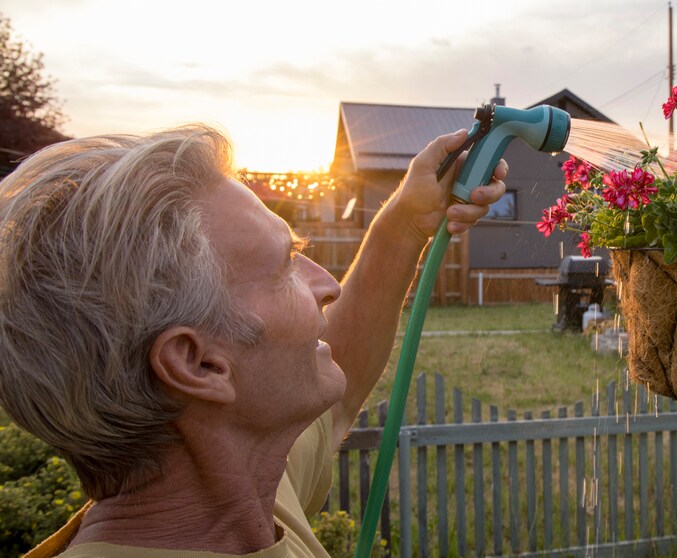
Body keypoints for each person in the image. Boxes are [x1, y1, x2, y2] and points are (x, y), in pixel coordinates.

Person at [0, 124, 507, 557]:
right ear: (198, 365)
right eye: (285, 265)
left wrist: (405, 223)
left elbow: (339, 379)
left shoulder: (247, 487)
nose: (326, 285)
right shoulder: (240, 492)